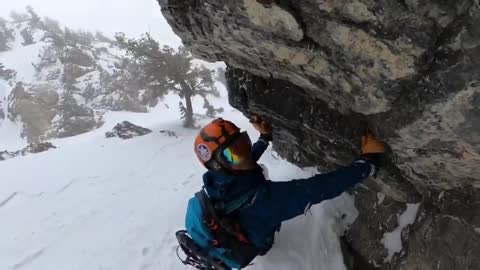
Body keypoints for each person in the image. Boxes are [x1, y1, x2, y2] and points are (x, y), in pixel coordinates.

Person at [184, 116, 385, 269]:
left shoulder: (220, 181)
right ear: (219, 166)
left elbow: (245, 164)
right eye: (233, 153)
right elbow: (319, 188)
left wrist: (264, 138)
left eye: (243, 142)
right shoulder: (265, 202)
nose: (245, 152)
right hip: (256, 239)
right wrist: (368, 163)